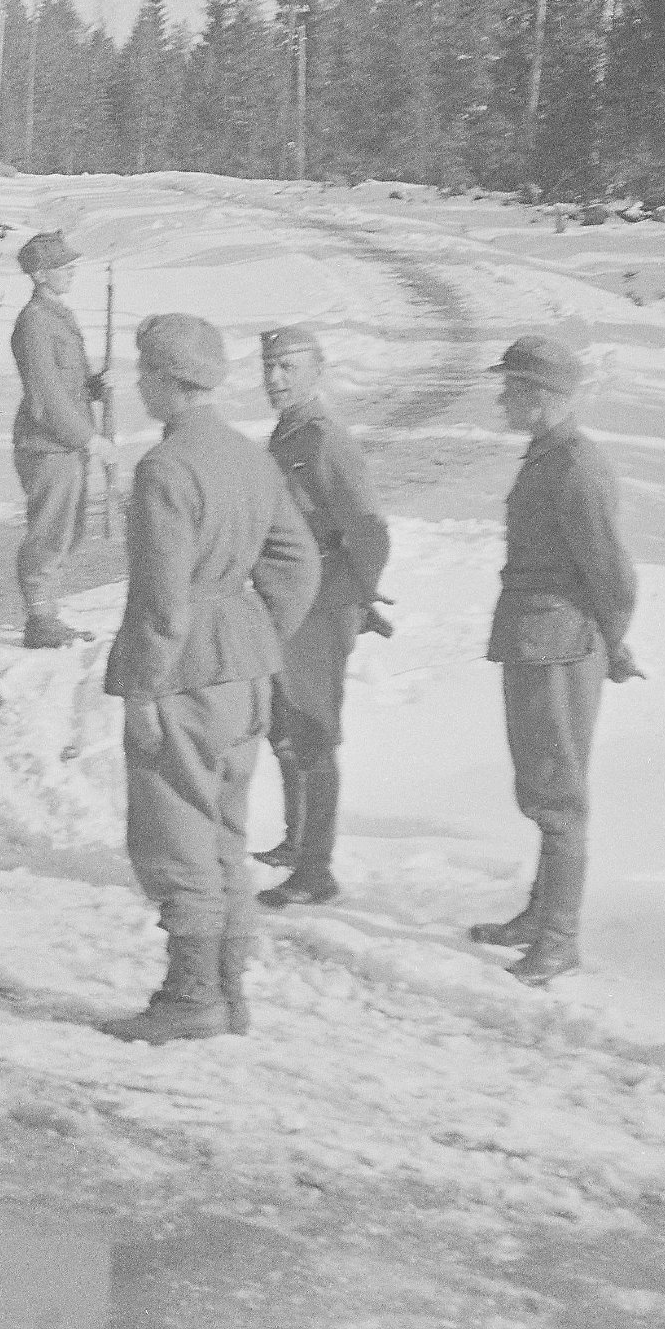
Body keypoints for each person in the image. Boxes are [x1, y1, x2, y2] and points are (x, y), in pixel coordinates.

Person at [99, 314, 320, 1043]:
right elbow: (298, 564)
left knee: (177, 829)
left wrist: (143, 688)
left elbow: (162, 601)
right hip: (245, 670)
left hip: (184, 675)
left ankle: (191, 996)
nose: (140, 385)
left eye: (146, 373)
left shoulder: (166, 468)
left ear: (168, 381)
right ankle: (228, 987)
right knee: (225, 828)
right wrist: (255, 631)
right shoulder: (249, 457)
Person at [466, 334, 640, 987]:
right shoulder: (549, 456)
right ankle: (542, 914)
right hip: (538, 639)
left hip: (560, 643)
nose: (502, 400)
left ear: (540, 396)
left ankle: (560, 938)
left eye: (510, 388)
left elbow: (613, 572)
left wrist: (611, 640)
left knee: (559, 794)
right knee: (542, 783)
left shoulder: (576, 466)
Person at [252, 325, 393, 910]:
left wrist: (357, 595)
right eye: (269, 366)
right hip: (289, 602)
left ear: (319, 371)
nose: (275, 378)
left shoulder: (324, 439)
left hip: (320, 604)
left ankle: (316, 871)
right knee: (285, 726)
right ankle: (296, 841)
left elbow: (369, 530)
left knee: (312, 734)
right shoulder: (288, 433)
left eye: (288, 366)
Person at [9, 230, 119, 649]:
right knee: (50, 533)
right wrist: (89, 438)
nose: (71, 271)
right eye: (62, 267)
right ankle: (40, 619)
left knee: (67, 531)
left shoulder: (57, 315)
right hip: (47, 444)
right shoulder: (35, 321)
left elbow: (68, 384)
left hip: (65, 443)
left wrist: (95, 385)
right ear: (39, 274)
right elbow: (46, 396)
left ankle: (47, 613)